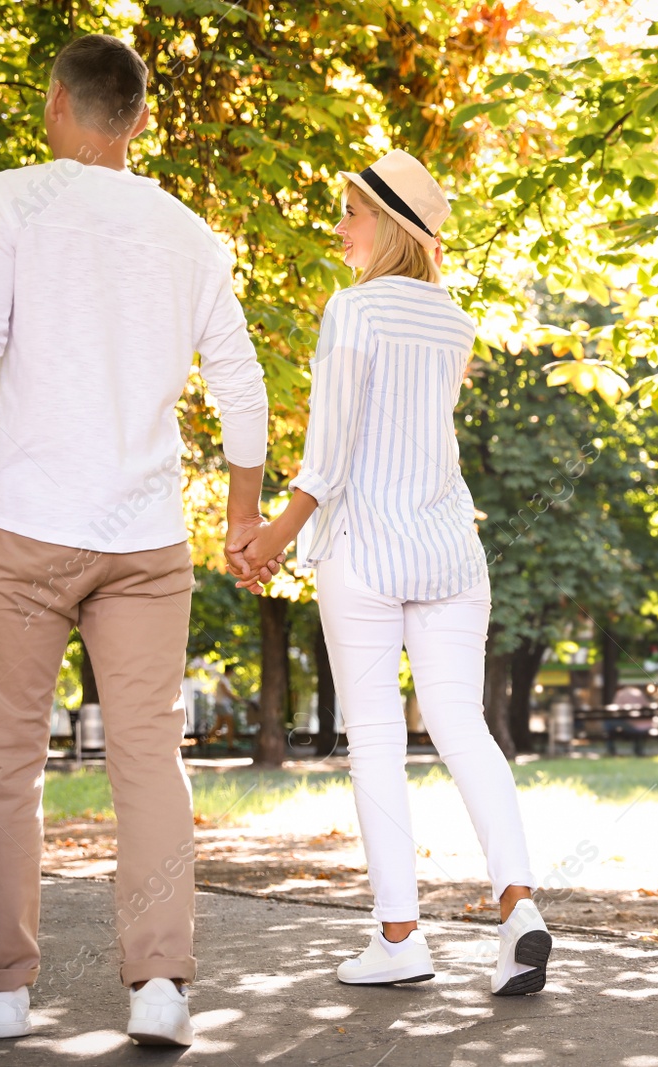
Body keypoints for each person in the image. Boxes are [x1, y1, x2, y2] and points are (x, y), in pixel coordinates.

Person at [0, 34, 279, 1046]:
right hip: (146, 541)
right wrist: (242, 513)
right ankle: (160, 985)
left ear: (57, 103)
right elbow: (244, 389)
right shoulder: (190, 233)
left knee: (8, 764)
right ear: (139, 119)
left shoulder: (7, 198)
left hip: (25, 525)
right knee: (151, 758)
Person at [228, 149, 552, 996]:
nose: (340, 228)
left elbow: (329, 457)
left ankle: (401, 937)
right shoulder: (454, 319)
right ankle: (519, 909)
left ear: (393, 225)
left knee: (375, 738)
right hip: (449, 547)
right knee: (462, 725)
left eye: (352, 213)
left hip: (366, 549)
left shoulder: (353, 309)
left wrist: (268, 537)